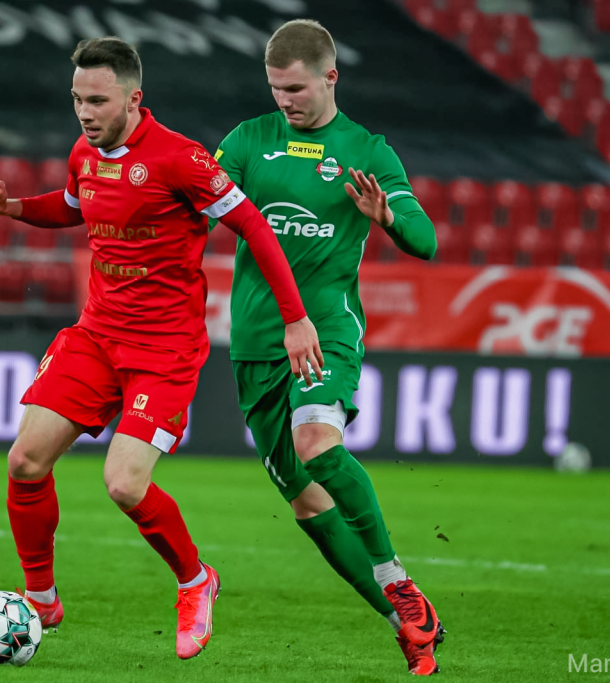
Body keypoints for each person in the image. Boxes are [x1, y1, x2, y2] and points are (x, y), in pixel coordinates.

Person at [0, 36, 323, 661]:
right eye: (77, 99)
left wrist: (295, 319)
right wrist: (14, 208)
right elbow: (73, 208)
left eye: (98, 101)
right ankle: (41, 599)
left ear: (134, 99)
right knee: (24, 460)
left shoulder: (180, 160)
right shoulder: (85, 151)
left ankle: (195, 580)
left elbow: (253, 225)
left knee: (124, 484)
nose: (85, 113)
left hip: (164, 349)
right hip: (96, 334)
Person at [211, 19, 443, 675]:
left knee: (317, 441)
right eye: (275, 88)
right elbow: (196, 206)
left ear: (330, 76)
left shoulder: (366, 151)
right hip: (254, 342)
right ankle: (408, 622)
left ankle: (396, 578)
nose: (284, 100)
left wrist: (388, 217)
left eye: (295, 88)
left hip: (326, 330)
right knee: (306, 501)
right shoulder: (249, 141)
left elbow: (426, 240)